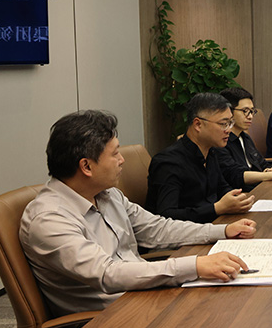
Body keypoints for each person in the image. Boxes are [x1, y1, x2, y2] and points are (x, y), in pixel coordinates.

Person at [20, 110, 257, 317]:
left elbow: (158, 229)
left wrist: (222, 231)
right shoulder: (49, 219)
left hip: (145, 295)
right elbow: (108, 274)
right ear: (86, 166)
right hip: (109, 320)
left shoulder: (107, 194)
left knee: (238, 301)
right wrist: (194, 266)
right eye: (115, 154)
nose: (122, 160)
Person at [146, 93, 255, 223]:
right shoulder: (169, 162)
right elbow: (166, 215)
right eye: (223, 124)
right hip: (184, 233)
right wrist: (216, 208)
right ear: (198, 124)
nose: (229, 130)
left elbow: (222, 187)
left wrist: (237, 199)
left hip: (212, 224)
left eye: (230, 123)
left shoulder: (211, 151)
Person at [217, 87, 272, 192]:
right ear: (228, 112)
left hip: (260, 187)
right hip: (243, 193)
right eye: (245, 111)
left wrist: (269, 170)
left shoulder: (245, 137)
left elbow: (261, 163)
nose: (250, 116)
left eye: (252, 111)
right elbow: (236, 175)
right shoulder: (221, 142)